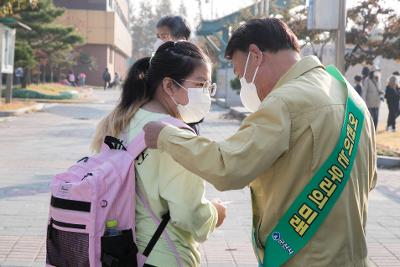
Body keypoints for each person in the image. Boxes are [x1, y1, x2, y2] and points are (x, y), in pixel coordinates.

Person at [143, 18, 377, 267]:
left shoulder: (285, 102)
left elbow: (228, 166)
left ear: (255, 55)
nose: (245, 83)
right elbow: (369, 180)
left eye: (241, 74)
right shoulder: (350, 97)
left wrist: (167, 136)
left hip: (303, 258)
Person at [91, 41, 225, 267]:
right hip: (165, 254)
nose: (206, 94)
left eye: (208, 87)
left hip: (121, 251)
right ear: (169, 86)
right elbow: (189, 214)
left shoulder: (122, 120)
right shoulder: (172, 136)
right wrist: (215, 214)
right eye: (200, 84)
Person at [154, 15, 203, 135]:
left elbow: (199, 107)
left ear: (181, 39)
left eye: (164, 36)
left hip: (183, 129)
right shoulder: (158, 63)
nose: (159, 42)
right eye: (158, 37)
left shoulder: (194, 66)